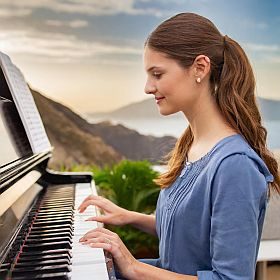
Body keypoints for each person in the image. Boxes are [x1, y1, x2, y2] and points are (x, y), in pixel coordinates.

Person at [78, 12, 280, 280]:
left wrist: (134, 267)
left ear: (200, 67)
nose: (148, 87)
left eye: (157, 74)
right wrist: (129, 217)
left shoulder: (235, 166)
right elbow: (189, 234)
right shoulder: (192, 145)